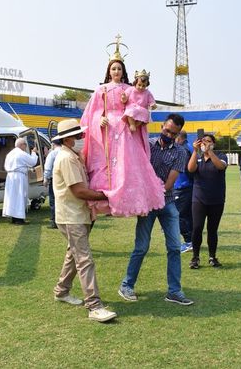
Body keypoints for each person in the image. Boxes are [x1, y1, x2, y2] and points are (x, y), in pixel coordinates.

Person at [80, 43, 164, 217]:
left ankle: (131, 197)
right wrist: (99, 119)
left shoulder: (130, 89)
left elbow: (138, 104)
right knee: (106, 161)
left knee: (127, 160)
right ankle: (105, 193)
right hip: (107, 127)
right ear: (109, 71)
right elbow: (91, 113)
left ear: (123, 71)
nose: (116, 71)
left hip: (126, 126)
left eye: (119, 68)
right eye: (113, 68)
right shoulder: (100, 89)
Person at [118, 113, 194, 306]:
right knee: (141, 247)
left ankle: (174, 291)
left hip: (166, 202)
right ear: (162, 126)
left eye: (173, 133)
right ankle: (127, 285)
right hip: (147, 204)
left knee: (175, 247)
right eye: (167, 130)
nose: (168, 134)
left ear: (178, 135)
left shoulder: (180, 152)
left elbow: (169, 183)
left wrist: (153, 192)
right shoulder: (147, 145)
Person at [51, 119, 117, 323]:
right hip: (71, 217)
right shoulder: (66, 159)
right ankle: (94, 306)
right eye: (79, 136)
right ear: (69, 138)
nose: (82, 139)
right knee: (84, 259)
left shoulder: (74, 156)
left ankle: (61, 291)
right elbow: (79, 191)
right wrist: (108, 196)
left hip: (78, 215)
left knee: (74, 254)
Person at [187, 134, 228, 269]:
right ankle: (195, 257)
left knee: (212, 229)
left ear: (213, 144)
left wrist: (209, 151)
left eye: (209, 141)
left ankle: (212, 256)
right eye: (203, 141)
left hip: (216, 200)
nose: (205, 143)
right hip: (199, 199)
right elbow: (190, 169)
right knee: (197, 228)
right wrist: (195, 150)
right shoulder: (197, 157)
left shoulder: (221, 156)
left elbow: (220, 167)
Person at [2, 137, 38, 225]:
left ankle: (14, 217)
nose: (25, 147)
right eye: (25, 145)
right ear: (22, 145)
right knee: (20, 196)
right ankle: (19, 219)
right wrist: (34, 152)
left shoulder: (10, 154)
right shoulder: (21, 153)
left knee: (12, 197)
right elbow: (32, 162)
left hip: (10, 177)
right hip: (19, 177)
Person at [174, 130, 194, 253]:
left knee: (180, 216)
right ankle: (192, 241)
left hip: (183, 186)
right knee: (188, 216)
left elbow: (187, 169)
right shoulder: (190, 147)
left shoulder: (184, 149)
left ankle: (188, 241)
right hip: (188, 186)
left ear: (178, 137)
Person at [122, 69, 157, 134]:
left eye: (143, 86)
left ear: (146, 85)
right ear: (135, 83)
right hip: (132, 107)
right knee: (131, 111)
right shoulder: (131, 89)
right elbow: (124, 99)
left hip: (142, 109)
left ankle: (136, 125)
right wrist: (124, 97)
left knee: (145, 113)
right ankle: (132, 124)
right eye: (139, 85)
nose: (141, 87)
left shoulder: (147, 93)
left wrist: (153, 105)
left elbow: (151, 101)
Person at [43, 141, 61, 229]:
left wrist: (45, 178)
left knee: (53, 200)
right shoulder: (66, 152)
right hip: (66, 179)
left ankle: (55, 222)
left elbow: (48, 167)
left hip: (55, 179)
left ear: (53, 145)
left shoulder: (52, 154)